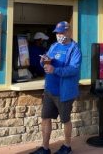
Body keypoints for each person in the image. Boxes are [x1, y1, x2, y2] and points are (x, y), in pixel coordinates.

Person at [31, 21, 82, 154]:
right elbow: (47, 64)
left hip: (64, 92)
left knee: (65, 120)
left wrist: (55, 70)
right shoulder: (54, 46)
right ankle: (45, 148)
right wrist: (44, 61)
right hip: (49, 90)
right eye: (57, 33)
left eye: (61, 32)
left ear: (68, 32)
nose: (59, 35)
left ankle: (67, 146)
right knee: (45, 118)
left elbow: (73, 70)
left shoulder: (74, 49)